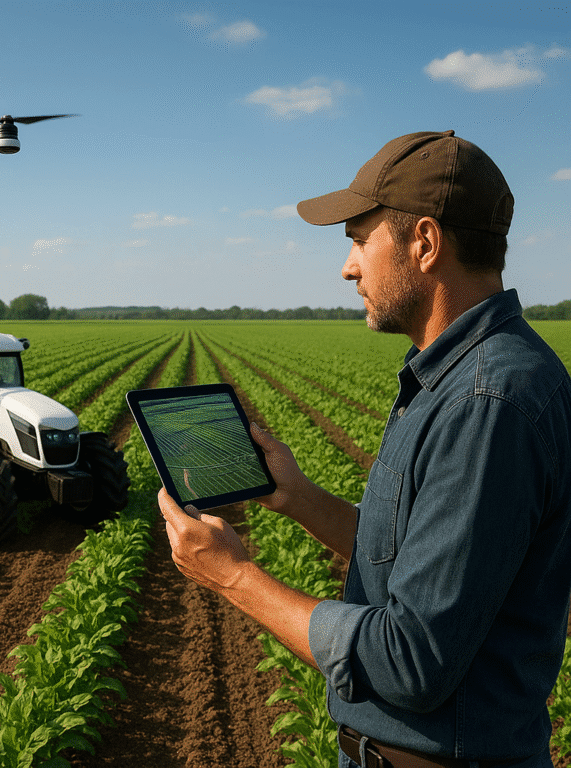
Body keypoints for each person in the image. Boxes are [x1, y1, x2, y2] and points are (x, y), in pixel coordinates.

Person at [158, 130, 571, 768]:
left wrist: (235, 577)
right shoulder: (459, 378)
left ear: (425, 243)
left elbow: (410, 660)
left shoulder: (486, 403)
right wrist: (296, 496)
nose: (349, 267)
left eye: (359, 240)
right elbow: (424, 568)